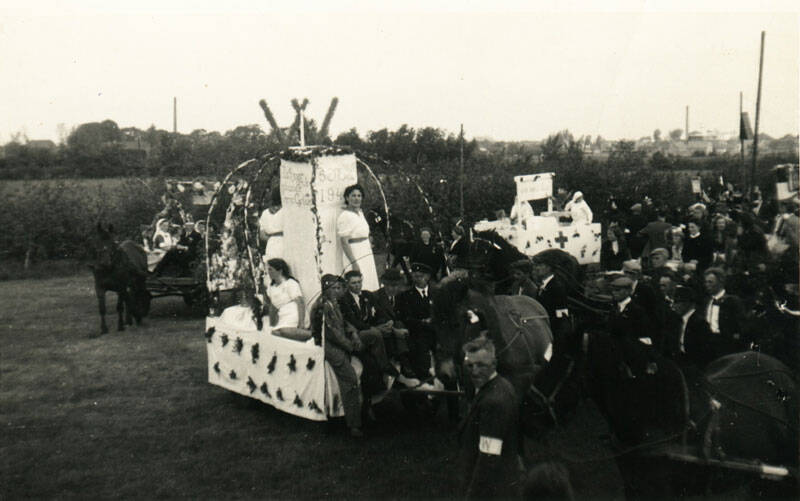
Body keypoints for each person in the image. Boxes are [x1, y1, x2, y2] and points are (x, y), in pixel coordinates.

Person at [458, 337, 523, 499]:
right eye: (470, 366)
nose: (474, 371)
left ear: (494, 364)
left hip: (494, 490)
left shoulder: (493, 401)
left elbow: (488, 457)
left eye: (481, 365)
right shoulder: (501, 386)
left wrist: (472, 497)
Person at [310, 274, 363, 437]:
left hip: (339, 344)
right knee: (350, 379)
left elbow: (343, 323)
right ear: (325, 289)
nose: (337, 291)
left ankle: (361, 411)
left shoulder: (334, 303)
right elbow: (332, 333)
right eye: (334, 288)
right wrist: (351, 347)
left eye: (339, 288)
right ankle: (354, 424)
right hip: (330, 347)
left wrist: (353, 333)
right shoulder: (322, 306)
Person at [338, 270, 399, 396]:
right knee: (375, 334)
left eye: (359, 282)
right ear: (347, 284)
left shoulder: (367, 295)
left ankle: (398, 360)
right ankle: (385, 365)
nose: (357, 285)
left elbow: (379, 312)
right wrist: (375, 328)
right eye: (353, 283)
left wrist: (387, 322)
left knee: (388, 330)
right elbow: (353, 322)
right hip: (357, 333)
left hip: (370, 329)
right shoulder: (345, 300)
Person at [370, 268, 419, 382]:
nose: (394, 289)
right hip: (386, 333)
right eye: (391, 286)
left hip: (400, 332)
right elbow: (377, 319)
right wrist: (395, 329)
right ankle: (403, 361)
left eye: (397, 285)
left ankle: (409, 364)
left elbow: (404, 315)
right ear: (384, 284)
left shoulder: (400, 296)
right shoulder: (376, 297)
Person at [396, 262, 437, 379]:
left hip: (437, 332)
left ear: (427, 277)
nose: (418, 279)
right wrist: (424, 322)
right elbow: (407, 318)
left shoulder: (437, 293)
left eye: (421, 276)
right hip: (419, 333)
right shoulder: (406, 296)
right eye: (415, 276)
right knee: (421, 360)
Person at [337, 184, 379, 291]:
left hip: (365, 251)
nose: (356, 198)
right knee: (359, 281)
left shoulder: (360, 213)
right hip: (355, 253)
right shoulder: (345, 216)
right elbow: (344, 242)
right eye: (353, 196)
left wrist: (368, 240)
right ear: (347, 198)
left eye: (359, 196)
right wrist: (354, 263)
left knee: (370, 281)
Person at [265, 258, 309, 340]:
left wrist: (301, 323)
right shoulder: (271, 288)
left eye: (271, 269)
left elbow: (300, 303)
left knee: (282, 332)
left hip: (294, 314)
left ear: (280, 271)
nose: (268, 272)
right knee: (274, 333)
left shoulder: (290, 283)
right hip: (283, 316)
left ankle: (309, 335)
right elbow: (273, 308)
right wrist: (272, 324)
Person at [259, 191, 284, 261]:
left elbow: (262, 236)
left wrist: (272, 238)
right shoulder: (285, 211)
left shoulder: (265, 213)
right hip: (281, 244)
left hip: (272, 244)